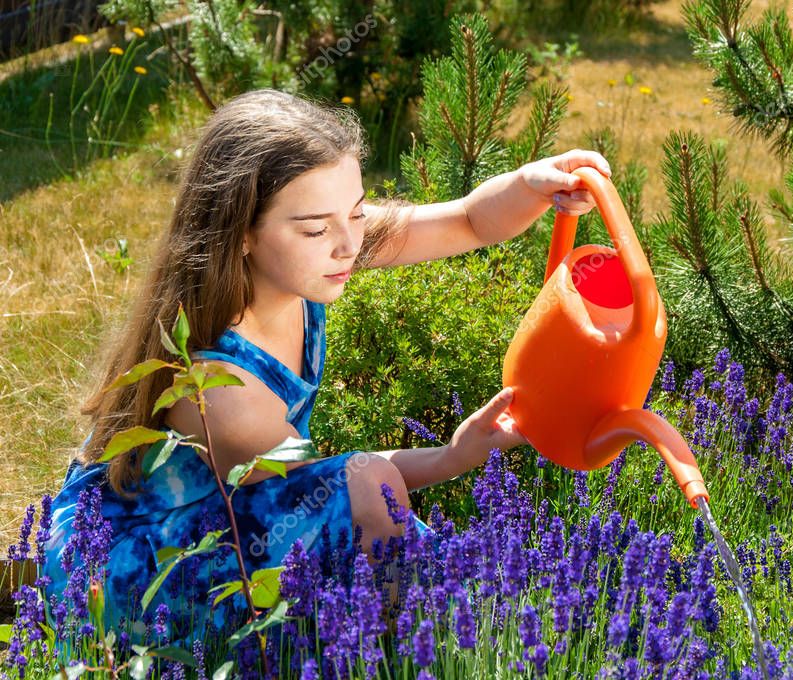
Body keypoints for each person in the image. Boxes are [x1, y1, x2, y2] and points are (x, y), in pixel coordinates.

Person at [40, 88, 611, 652]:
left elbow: (468, 222)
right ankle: (394, 656)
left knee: (438, 569)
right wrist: (449, 460)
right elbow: (336, 487)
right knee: (391, 539)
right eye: (317, 229)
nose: (348, 244)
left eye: (358, 214)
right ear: (241, 232)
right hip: (130, 576)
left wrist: (537, 183)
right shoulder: (218, 386)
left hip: (230, 507)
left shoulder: (303, 263)